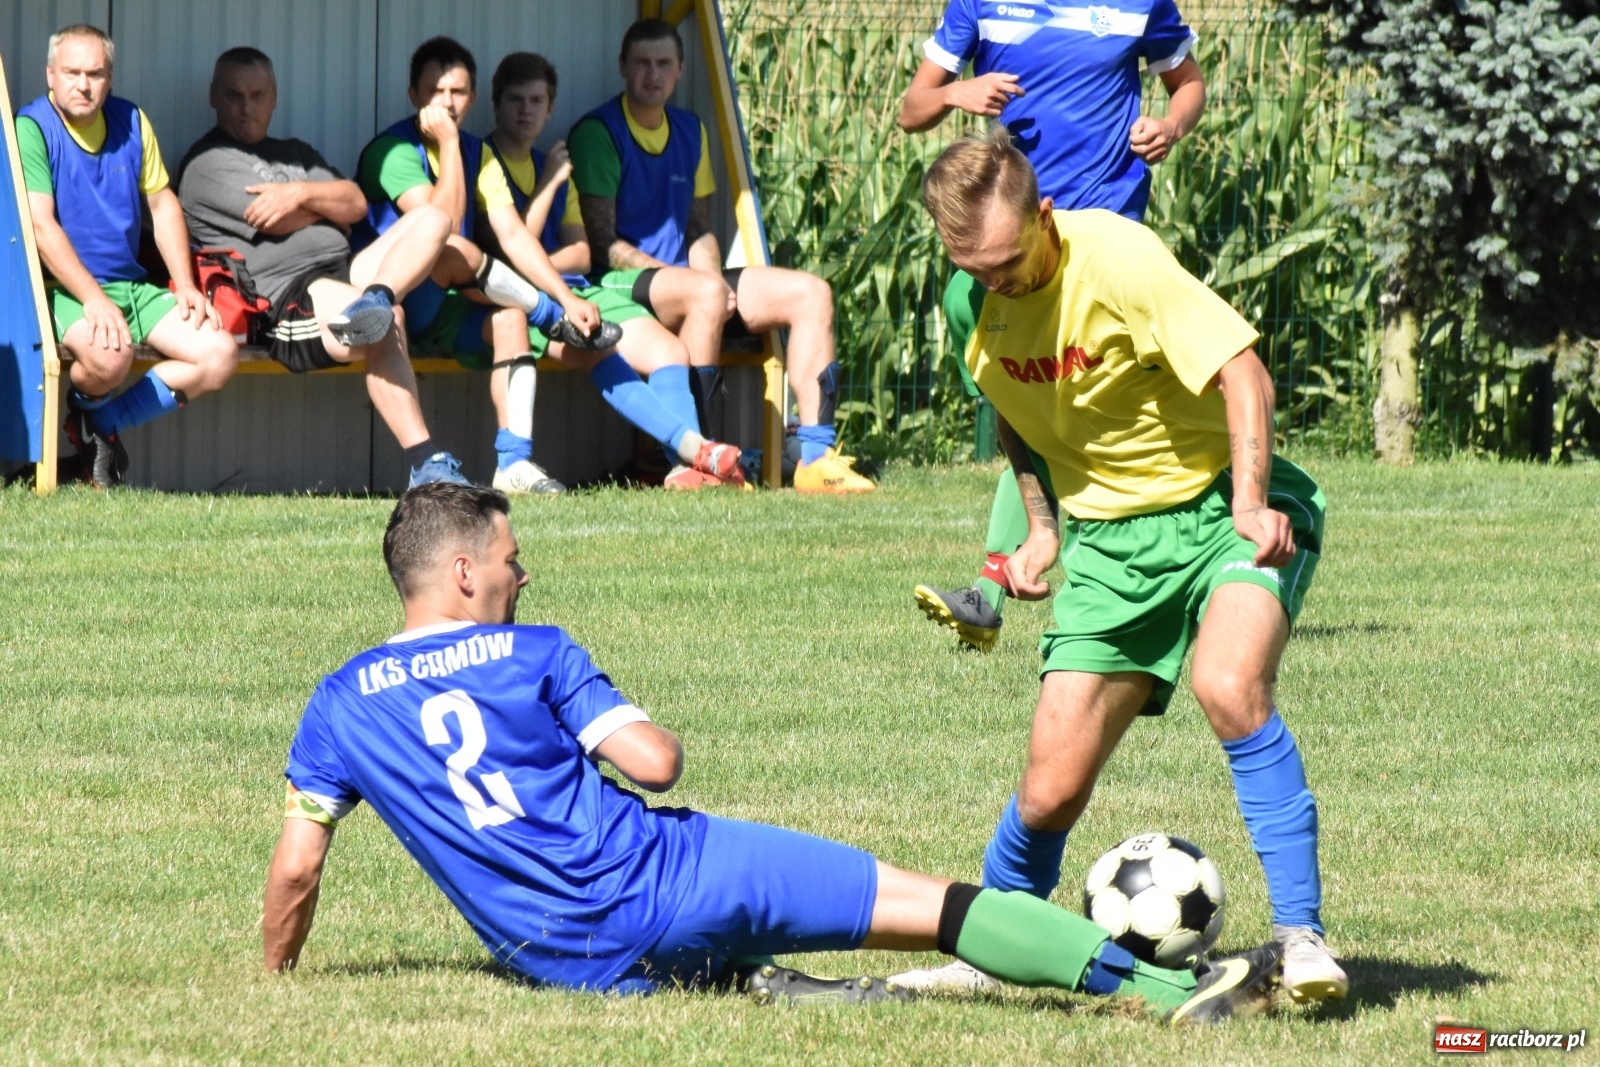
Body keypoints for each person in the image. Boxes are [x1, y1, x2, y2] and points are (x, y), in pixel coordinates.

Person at [263, 481, 1281, 1023]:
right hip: (667, 876)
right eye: (514, 557)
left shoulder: (337, 703)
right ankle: (1164, 991)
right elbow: (656, 763)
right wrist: (618, 721)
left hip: (556, 955)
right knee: (941, 907)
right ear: (464, 567)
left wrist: (275, 977)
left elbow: (299, 866)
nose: (524, 574)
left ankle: (760, 982)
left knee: (722, 972)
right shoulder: (535, 650)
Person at [898, 128, 1347, 1006]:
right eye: (974, 268)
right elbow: (1014, 410)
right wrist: (1039, 527)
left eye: (1005, 261)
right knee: (1050, 785)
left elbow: (1243, 374)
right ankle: (988, 946)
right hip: (1111, 546)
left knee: (1230, 685)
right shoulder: (971, 298)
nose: (996, 282)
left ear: (1046, 217)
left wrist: (1252, 502)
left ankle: (1300, 940)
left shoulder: (1120, 258)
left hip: (1225, 509)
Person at [898, 0, 1207, 653]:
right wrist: (960, 92)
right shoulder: (980, 6)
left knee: (1061, 407)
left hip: (1098, 238)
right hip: (1011, 245)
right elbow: (911, 109)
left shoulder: (1139, 5)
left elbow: (1189, 83)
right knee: (1032, 398)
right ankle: (1011, 577)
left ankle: (998, 584)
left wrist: (1170, 126)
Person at [567, 19, 873, 494]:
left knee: (812, 292)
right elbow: (603, 244)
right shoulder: (598, 132)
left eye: (664, 63)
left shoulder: (691, 130)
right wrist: (700, 284)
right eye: (642, 63)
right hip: (617, 285)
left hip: (687, 283)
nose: (653, 74)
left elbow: (700, 229)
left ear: (681, 70)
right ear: (623, 68)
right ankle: (701, 458)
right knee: (707, 291)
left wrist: (712, 281)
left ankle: (814, 457)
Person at [356, 37, 641, 496]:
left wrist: (567, 297)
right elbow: (438, 224)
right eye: (436, 91)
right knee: (449, 247)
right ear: (414, 95)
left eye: (459, 92)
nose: (447, 103)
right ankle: (548, 318)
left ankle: (514, 463)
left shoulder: (479, 152)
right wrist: (448, 145)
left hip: (451, 302)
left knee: (509, 319)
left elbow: (514, 235)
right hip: (396, 304)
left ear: (472, 98)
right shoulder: (391, 152)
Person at [177, 47, 470, 488]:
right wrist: (318, 202)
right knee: (387, 324)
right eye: (234, 95)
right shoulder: (206, 164)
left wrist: (298, 194)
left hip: (347, 268)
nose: (246, 106)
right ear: (213, 96)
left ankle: (376, 298)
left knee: (434, 219)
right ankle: (426, 464)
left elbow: (354, 203)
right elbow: (279, 218)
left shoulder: (294, 153)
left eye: (258, 94)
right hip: (289, 298)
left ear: (275, 97)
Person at [484, 52, 744, 491]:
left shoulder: (559, 168)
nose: (526, 110)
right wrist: (547, 185)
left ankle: (685, 470)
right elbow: (514, 251)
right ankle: (696, 452)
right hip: (517, 298)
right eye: (515, 100)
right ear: (495, 104)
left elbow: (583, 254)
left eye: (536, 100)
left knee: (670, 353)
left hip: (575, 289)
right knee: (599, 351)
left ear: (551, 107)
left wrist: (546, 258)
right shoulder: (488, 161)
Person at [17, 23, 238, 488]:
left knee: (218, 354)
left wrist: (186, 286)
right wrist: (94, 299)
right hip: (61, 291)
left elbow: (163, 205)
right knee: (110, 357)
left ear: (110, 77)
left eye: (95, 73)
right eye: (72, 72)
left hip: (132, 288)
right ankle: (91, 420)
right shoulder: (32, 127)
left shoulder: (132, 120)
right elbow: (41, 226)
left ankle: (100, 422)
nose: (83, 84)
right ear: (50, 75)